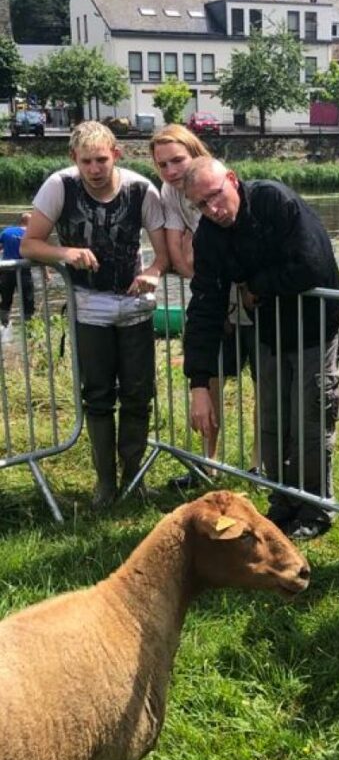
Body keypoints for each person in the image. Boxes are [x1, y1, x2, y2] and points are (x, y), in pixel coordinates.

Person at [182, 157, 339, 540]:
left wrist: (257, 285)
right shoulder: (208, 235)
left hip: (314, 326)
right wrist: (198, 381)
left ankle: (315, 508)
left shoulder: (275, 201)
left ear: (233, 180)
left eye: (216, 196)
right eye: (201, 205)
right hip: (268, 332)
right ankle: (283, 500)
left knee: (310, 417)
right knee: (272, 420)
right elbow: (205, 303)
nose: (213, 210)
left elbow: (313, 265)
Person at [21, 121, 168, 508]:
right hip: (88, 307)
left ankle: (134, 478)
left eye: (102, 159)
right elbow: (29, 244)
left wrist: (153, 272)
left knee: (139, 395)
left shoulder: (141, 189)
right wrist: (64, 253)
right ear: (74, 159)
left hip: (135, 305)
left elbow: (163, 252)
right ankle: (105, 484)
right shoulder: (59, 186)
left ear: (116, 154)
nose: (95, 169)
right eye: (86, 161)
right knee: (98, 396)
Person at [150, 125, 257, 489]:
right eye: (162, 165)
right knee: (207, 377)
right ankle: (208, 462)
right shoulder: (168, 193)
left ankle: (259, 465)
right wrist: (207, 270)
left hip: (249, 293)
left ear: (195, 152)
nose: (171, 171)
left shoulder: (217, 180)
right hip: (211, 293)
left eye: (177, 160)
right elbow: (181, 257)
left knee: (262, 378)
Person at [0, 212, 36, 327]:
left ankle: (4, 325)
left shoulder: (6, 232)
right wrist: (46, 274)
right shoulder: (31, 235)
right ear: (29, 223)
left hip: (6, 270)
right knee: (28, 300)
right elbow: (37, 255)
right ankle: (29, 327)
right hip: (24, 272)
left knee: (6, 299)